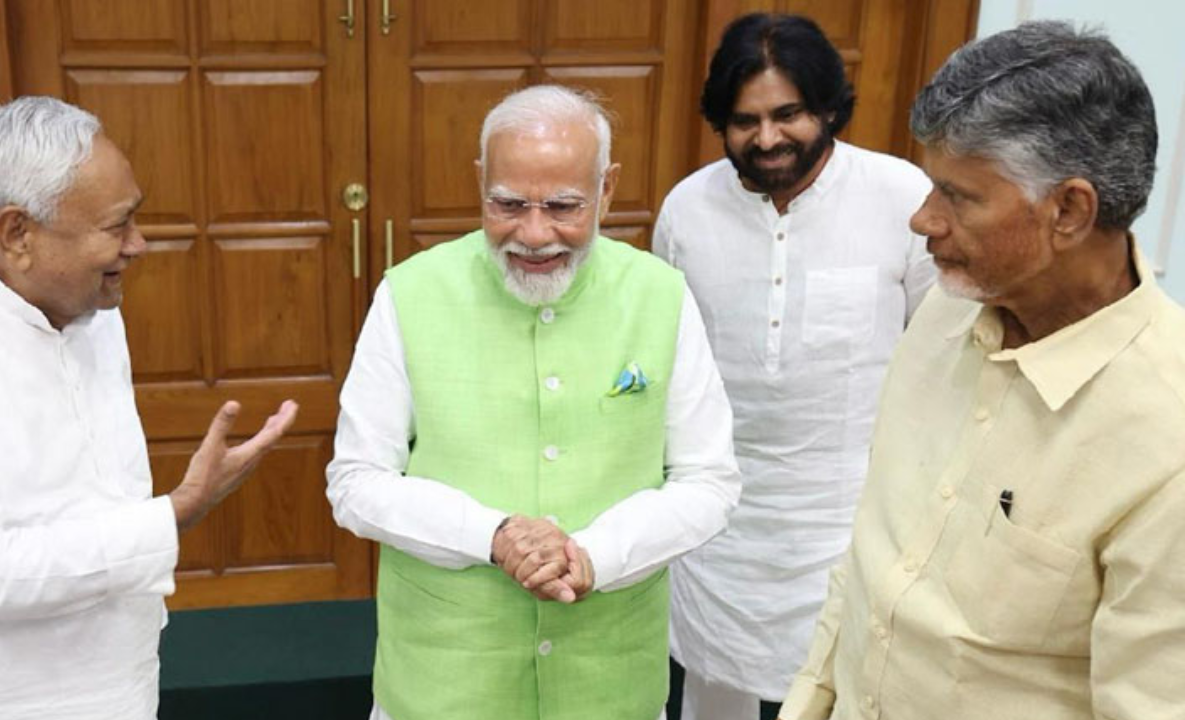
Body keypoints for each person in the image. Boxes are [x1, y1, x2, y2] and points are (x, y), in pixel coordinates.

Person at [780, 21, 1185, 720]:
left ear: (1069, 210)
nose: (921, 219)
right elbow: (872, 570)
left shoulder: (1165, 438)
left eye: (957, 195)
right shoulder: (943, 312)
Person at [326, 84, 742, 720]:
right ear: (479, 184)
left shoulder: (660, 295)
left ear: (608, 190)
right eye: (509, 203)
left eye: (564, 206)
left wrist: (594, 556)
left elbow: (708, 481)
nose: (535, 232)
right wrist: (492, 536)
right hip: (444, 684)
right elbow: (356, 482)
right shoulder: (410, 294)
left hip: (609, 685)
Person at [0, 96, 298, 720]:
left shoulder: (91, 308)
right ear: (17, 234)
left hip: (125, 681)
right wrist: (174, 514)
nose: (139, 245)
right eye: (116, 227)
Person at [653, 14, 934, 720]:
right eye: (745, 120)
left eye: (789, 114)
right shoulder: (687, 210)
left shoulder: (901, 198)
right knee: (715, 693)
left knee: (851, 694)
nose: (768, 138)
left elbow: (939, 357)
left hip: (852, 516)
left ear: (829, 107)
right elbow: (669, 363)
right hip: (722, 522)